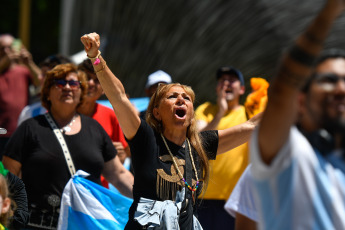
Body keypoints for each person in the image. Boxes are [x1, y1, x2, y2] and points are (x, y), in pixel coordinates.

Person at [80, 32, 261, 229]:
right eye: (172, 96)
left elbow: (251, 126)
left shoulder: (198, 145)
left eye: (187, 98)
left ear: (191, 114)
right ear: (156, 112)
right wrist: (96, 58)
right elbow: (119, 97)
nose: (181, 99)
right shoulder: (146, 138)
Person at [247, 0, 345, 229]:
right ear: (301, 101)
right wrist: (330, 11)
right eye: (329, 81)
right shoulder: (288, 152)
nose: (341, 89)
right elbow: (282, 90)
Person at [2, 63, 134, 229]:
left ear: (81, 92)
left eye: (73, 83)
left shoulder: (94, 129)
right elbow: (7, 179)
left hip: (87, 224)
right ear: (47, 93)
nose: (67, 87)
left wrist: (149, 199)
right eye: (59, 83)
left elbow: (118, 174)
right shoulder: (30, 128)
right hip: (39, 225)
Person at [194, 66, 248, 229]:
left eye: (232, 80)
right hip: (202, 199)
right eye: (222, 80)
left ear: (242, 89)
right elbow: (197, 140)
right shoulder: (205, 109)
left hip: (235, 201)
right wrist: (220, 112)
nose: (226, 83)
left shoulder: (249, 113)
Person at [77, 58, 131, 186]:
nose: (91, 83)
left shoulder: (111, 115)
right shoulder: (62, 114)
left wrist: (121, 157)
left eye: (97, 80)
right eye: (87, 78)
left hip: (100, 193)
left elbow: (124, 155)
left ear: (103, 88)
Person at [0, 34, 41, 157]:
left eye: (9, 47)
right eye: (3, 48)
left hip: (19, 133)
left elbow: (42, 83)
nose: (7, 51)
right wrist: (3, 63)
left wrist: (29, 63)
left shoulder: (23, 71)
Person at [17, 54, 72, 126]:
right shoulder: (29, 113)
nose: (39, 77)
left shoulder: (79, 114)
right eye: (41, 73)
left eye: (45, 74)